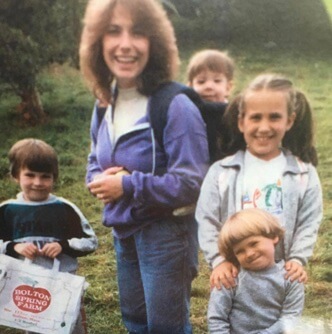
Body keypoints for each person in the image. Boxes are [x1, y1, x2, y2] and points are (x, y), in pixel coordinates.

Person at [79, 0, 209, 333]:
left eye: (138, 32)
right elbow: (95, 158)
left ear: (155, 43)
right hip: (124, 233)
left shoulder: (175, 105)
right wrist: (98, 179)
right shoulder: (105, 102)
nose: (125, 44)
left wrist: (127, 186)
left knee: (166, 328)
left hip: (166, 235)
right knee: (135, 322)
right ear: (98, 42)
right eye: (113, 32)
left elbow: (193, 182)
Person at [196, 73, 323, 291]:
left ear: (289, 120)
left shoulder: (304, 174)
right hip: (233, 277)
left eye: (274, 117)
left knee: (281, 325)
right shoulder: (221, 172)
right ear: (241, 122)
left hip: (283, 278)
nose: (264, 127)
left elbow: (308, 222)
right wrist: (219, 261)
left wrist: (297, 259)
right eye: (255, 118)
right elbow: (206, 219)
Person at [0, 138, 98, 334]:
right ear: (15, 176)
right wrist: (13, 247)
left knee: (71, 325)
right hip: (26, 289)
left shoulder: (64, 209)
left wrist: (64, 245)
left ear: (55, 177)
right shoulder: (8, 211)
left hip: (63, 285)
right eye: (30, 175)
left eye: (45, 176)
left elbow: (91, 241)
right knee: (36, 327)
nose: (38, 183)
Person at [208, 208, 304, 333]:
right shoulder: (230, 278)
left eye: (254, 243)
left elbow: (291, 317)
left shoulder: (291, 276)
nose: (249, 253)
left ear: (273, 236)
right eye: (240, 251)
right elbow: (217, 319)